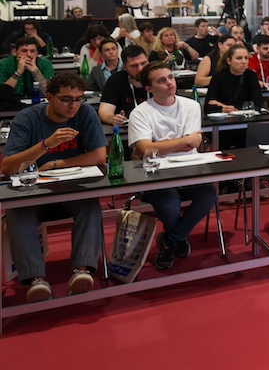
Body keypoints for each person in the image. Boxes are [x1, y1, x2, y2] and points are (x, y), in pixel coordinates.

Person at [1, 74, 107, 302]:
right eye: (67, 99)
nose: (74, 105)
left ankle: (83, 270)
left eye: (79, 99)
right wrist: (45, 145)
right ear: (49, 97)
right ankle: (36, 279)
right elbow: (8, 167)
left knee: (89, 202)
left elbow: (99, 155)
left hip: (70, 189)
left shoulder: (85, 113)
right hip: (33, 192)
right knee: (17, 210)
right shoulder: (27, 118)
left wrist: (58, 163)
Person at [128, 62, 217, 272]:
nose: (169, 83)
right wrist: (181, 141)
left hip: (190, 167)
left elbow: (192, 145)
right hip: (154, 172)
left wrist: (158, 147)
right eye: (161, 80)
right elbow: (146, 150)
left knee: (208, 195)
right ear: (148, 88)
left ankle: (171, 239)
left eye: (170, 77)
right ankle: (177, 237)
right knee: (169, 204)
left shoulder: (191, 106)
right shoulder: (140, 113)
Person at [98, 45, 151, 125]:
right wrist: (112, 118)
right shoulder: (115, 80)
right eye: (134, 66)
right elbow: (104, 112)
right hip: (128, 127)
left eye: (143, 63)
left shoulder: (158, 76)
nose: (140, 69)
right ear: (125, 67)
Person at [206, 44, 263, 112]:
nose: (244, 62)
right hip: (225, 118)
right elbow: (208, 106)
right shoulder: (218, 77)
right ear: (229, 61)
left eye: (246, 58)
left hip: (246, 116)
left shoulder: (251, 75)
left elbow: (257, 103)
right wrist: (223, 108)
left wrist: (222, 105)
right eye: (239, 58)